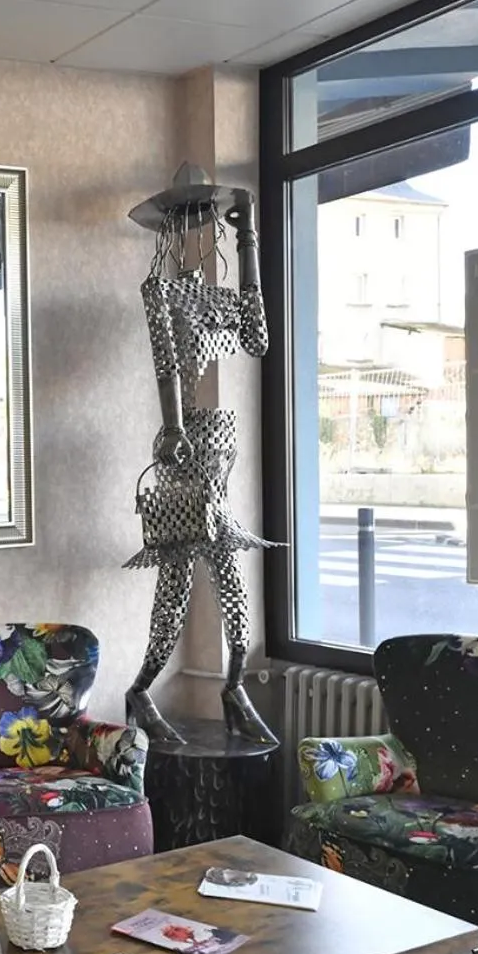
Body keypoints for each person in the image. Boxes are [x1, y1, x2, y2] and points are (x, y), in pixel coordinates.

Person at [124, 166, 277, 746]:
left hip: (219, 450)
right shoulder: (158, 292)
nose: (197, 236)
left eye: (204, 223)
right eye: (188, 223)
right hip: (188, 457)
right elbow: (166, 364)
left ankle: (231, 685)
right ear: (170, 231)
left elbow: (259, 339)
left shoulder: (219, 299)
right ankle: (146, 690)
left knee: (230, 587)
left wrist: (250, 235)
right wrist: (173, 427)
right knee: (180, 586)